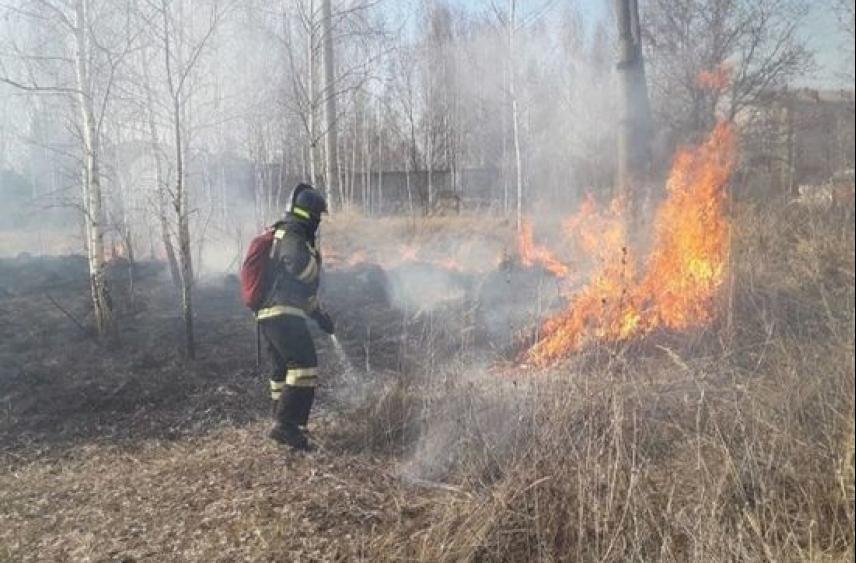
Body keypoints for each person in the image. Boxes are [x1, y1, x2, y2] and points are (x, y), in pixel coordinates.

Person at [256, 183, 335, 451]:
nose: (319, 222)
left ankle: (281, 421)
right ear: (309, 214)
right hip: (283, 311)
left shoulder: (284, 231)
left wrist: (319, 315)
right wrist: (314, 269)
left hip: (269, 313)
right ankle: (287, 426)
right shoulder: (293, 231)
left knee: (282, 370)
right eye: (318, 216)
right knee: (304, 365)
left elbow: (298, 290)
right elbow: (297, 266)